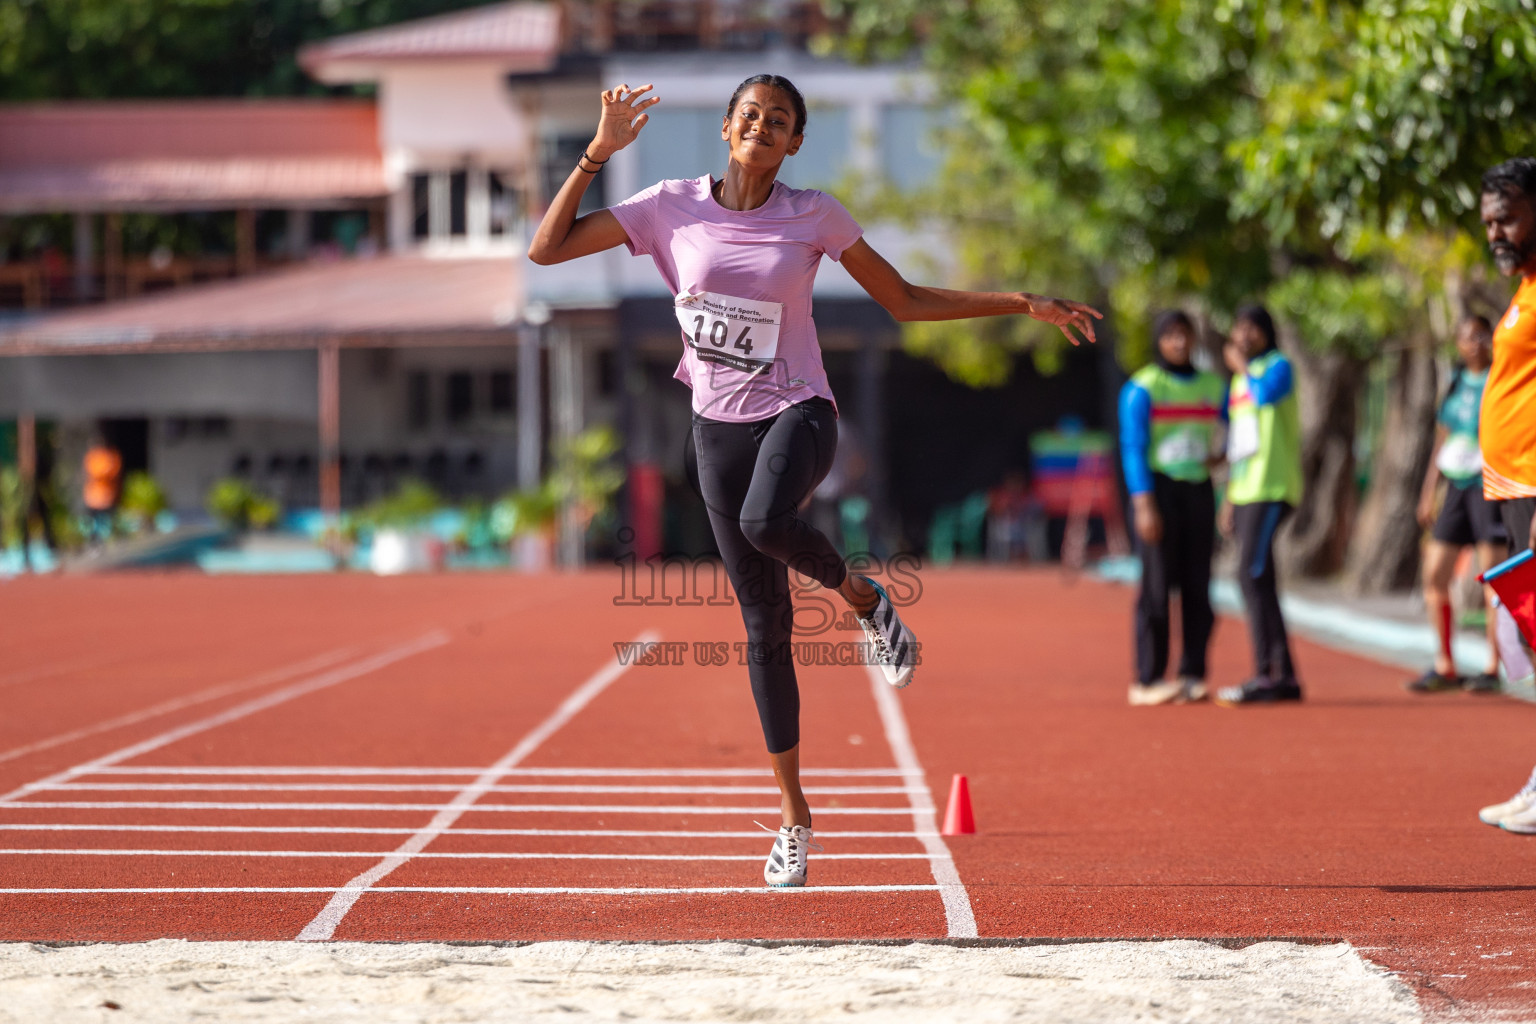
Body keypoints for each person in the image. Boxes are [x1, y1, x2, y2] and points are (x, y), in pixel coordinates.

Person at [528, 75, 1101, 886]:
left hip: (800, 412)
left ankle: (866, 599)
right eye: (751, 116)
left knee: (767, 520)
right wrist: (596, 154)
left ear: (795, 143)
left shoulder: (815, 215)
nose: (764, 128)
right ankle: (795, 817)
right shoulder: (667, 206)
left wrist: (1017, 302)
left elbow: (901, 300)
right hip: (714, 428)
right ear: (728, 129)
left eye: (781, 121)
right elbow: (546, 251)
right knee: (764, 629)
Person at [1471, 157, 1536, 834]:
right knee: (1530, 640)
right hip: (1513, 483)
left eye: (1509, 217)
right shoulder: (1524, 286)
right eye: (1490, 220)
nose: (1496, 231)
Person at [1119, 310, 1227, 705]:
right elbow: (1133, 449)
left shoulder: (1214, 387)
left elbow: (1240, 426)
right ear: (1159, 341)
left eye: (1184, 335)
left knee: (1198, 587)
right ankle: (1147, 680)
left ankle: (1192, 674)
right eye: (1170, 336)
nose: (1178, 343)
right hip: (1158, 492)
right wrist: (1144, 504)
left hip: (1198, 490)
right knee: (1156, 588)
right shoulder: (1142, 387)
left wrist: (1222, 458)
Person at [1407, 315, 1507, 694]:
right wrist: (1427, 490)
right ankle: (1445, 663)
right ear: (1458, 343)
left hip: (1489, 486)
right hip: (1455, 487)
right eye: (1468, 337)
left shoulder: (1500, 382)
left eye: (1483, 335)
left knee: (1492, 579)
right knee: (1435, 573)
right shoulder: (1453, 383)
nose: (1475, 343)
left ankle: (1493, 665)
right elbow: (1441, 440)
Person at [1214, 305, 1305, 705]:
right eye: (1239, 327)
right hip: (1247, 487)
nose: (1245, 335)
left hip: (1274, 485)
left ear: (1266, 332)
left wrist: (1240, 366)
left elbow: (1266, 396)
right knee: (1258, 577)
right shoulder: (1237, 383)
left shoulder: (1277, 367)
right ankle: (1282, 675)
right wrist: (1229, 496)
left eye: (1253, 328)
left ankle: (1267, 673)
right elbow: (1239, 440)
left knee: (1250, 574)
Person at [82, 433, 122, 544]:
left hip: (106, 495)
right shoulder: (92, 457)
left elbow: (112, 471)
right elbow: (93, 472)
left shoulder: (109, 455)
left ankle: (108, 539)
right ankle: (95, 540)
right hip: (93, 496)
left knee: (106, 520)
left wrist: (104, 472)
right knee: (93, 521)